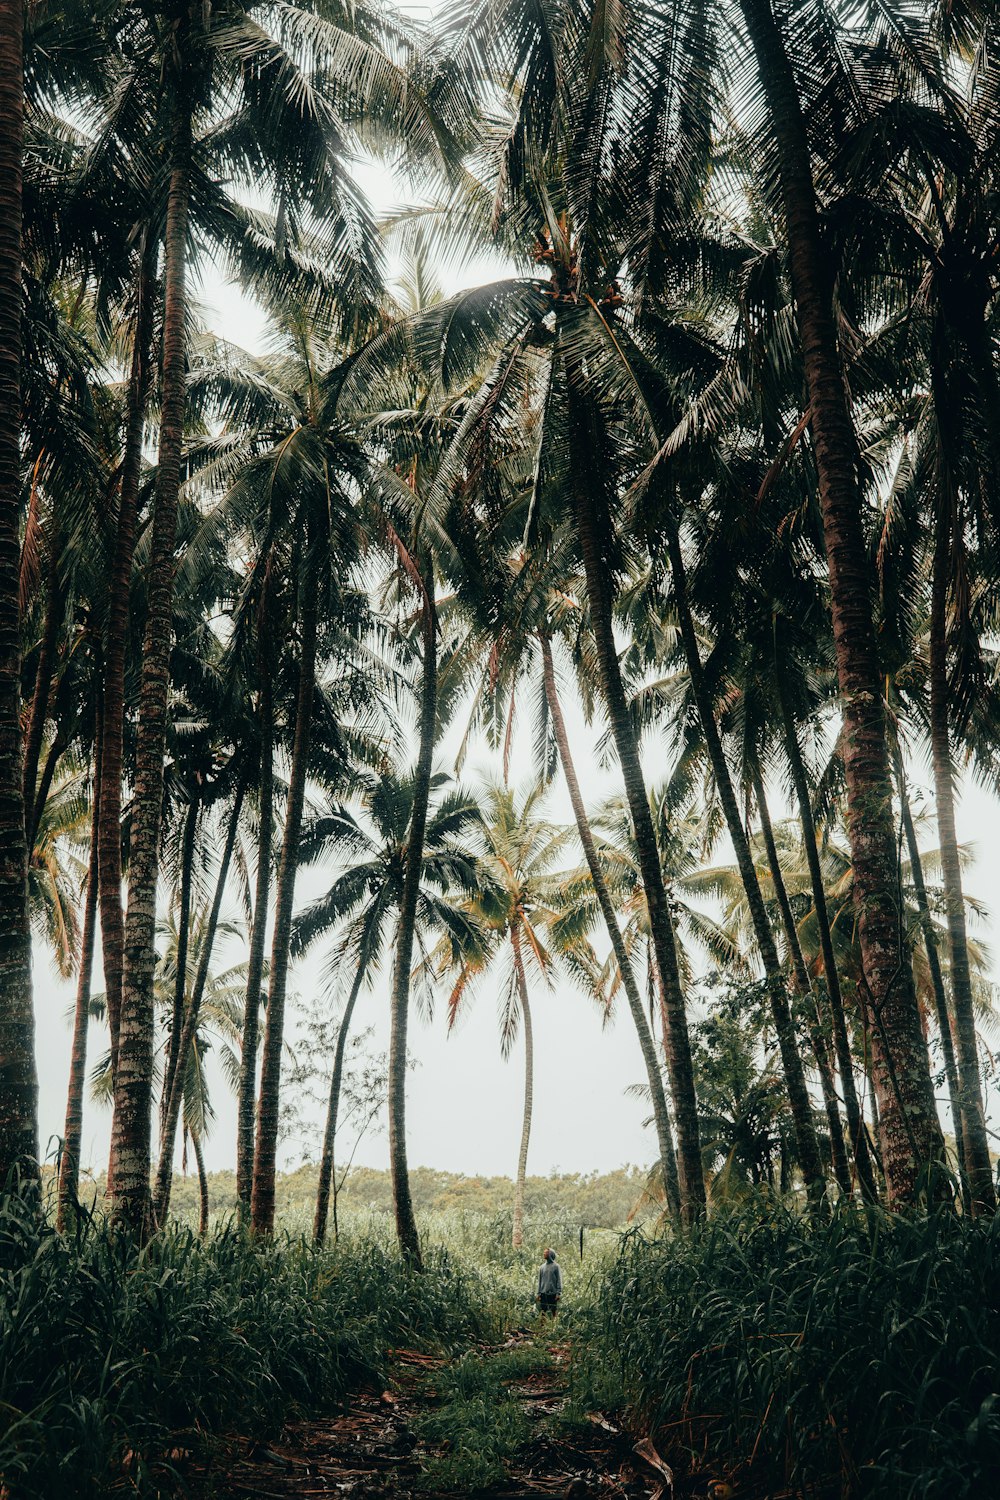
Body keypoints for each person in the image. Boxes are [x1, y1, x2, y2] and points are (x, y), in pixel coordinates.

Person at [536, 1247, 562, 1317]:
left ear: (550, 1254)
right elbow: (540, 1281)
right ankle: (542, 1326)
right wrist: (538, 1293)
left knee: (554, 1311)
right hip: (543, 1293)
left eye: (546, 1253)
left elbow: (559, 1280)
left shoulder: (556, 1266)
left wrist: (558, 1293)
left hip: (552, 1294)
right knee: (543, 1311)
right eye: (544, 1252)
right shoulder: (542, 1267)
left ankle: (554, 1326)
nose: (544, 1254)